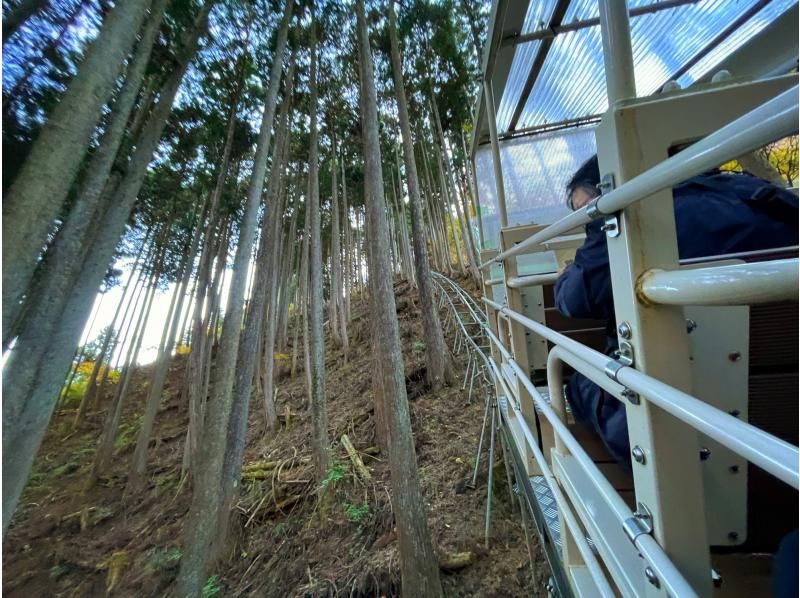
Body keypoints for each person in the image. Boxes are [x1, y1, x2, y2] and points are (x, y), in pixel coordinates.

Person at [554, 154, 799, 468]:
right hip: (786, 423)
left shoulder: (629, 219)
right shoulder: (751, 191)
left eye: (589, 210)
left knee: (580, 384)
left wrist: (566, 275)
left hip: (688, 437)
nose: (592, 222)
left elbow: (575, 300)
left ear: (610, 188)